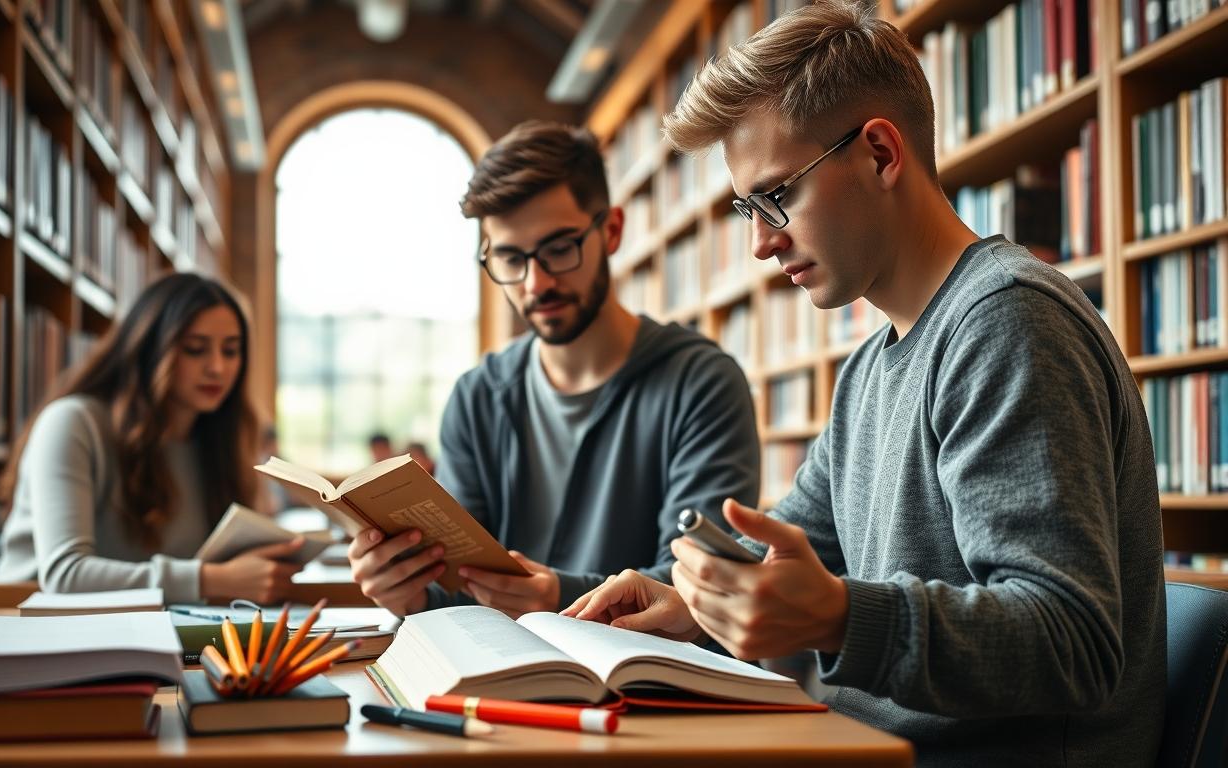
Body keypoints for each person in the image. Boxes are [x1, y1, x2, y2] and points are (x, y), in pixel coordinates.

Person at [562, 3, 1165, 766]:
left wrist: (843, 619)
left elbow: (1070, 642)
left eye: (776, 195)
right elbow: (787, 549)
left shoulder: (1008, 321)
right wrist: (690, 603)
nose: (759, 242)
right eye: (748, 207)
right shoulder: (872, 367)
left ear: (880, 153)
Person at [347, 120, 761, 618]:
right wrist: (408, 592)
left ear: (610, 231)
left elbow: (702, 585)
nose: (535, 283)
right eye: (509, 258)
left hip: (653, 688)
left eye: (559, 249)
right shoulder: (477, 396)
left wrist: (556, 595)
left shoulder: (701, 383)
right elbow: (457, 584)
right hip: (501, 682)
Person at [0, 273, 305, 604]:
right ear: (147, 349)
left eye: (230, 351)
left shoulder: (217, 442)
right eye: (195, 349)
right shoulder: (73, 423)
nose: (217, 367)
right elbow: (64, 574)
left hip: (150, 627)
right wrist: (212, 579)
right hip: (31, 624)